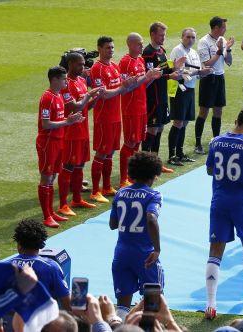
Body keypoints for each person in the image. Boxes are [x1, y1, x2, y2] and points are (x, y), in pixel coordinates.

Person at [204, 108, 243, 320]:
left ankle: (211, 304)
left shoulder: (215, 141)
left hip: (219, 199)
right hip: (241, 200)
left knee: (215, 250)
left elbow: (210, 170)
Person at [108, 152, 164, 320]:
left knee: (122, 304)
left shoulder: (120, 193)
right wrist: (157, 248)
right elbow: (151, 218)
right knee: (153, 300)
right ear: (154, 174)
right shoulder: (153, 195)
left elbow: (112, 224)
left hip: (121, 253)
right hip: (145, 255)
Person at [89, 36, 139, 203]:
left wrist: (130, 83)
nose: (110, 50)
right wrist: (123, 86)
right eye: (107, 48)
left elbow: (120, 91)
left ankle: (107, 186)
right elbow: (103, 94)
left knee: (110, 152)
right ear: (99, 49)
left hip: (116, 116)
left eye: (112, 47)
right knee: (102, 153)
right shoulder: (97, 69)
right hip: (103, 117)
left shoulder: (114, 67)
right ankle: (95, 191)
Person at [37, 66, 85, 227]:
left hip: (58, 141)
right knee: (46, 177)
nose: (66, 81)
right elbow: (45, 124)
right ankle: (46, 216)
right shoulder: (47, 98)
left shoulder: (58, 96)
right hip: (48, 143)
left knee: (53, 177)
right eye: (64, 79)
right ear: (54, 80)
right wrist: (68, 122)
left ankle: (51, 212)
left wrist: (71, 119)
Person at [56, 53, 103, 218]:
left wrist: (95, 99)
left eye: (83, 65)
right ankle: (62, 205)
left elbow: (84, 108)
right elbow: (73, 108)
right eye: (79, 65)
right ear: (70, 64)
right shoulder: (65, 84)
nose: (82, 68)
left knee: (80, 165)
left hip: (82, 130)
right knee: (68, 166)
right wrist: (89, 96)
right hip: (70, 133)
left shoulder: (82, 81)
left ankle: (76, 199)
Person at [119, 33, 162, 188]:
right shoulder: (125, 62)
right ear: (130, 44)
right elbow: (125, 87)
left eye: (142, 43)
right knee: (130, 142)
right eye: (139, 44)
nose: (142, 46)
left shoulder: (140, 59)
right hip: (130, 108)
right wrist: (146, 77)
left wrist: (151, 78)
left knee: (137, 141)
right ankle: (124, 178)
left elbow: (142, 84)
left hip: (142, 106)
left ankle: (133, 176)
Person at [168, 28, 212, 165]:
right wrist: (198, 72)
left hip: (190, 89)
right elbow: (177, 72)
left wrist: (203, 73)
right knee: (178, 122)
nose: (191, 40)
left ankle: (180, 153)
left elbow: (196, 72)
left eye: (193, 37)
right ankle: (172, 155)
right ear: (182, 37)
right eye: (188, 37)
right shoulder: (177, 50)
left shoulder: (193, 52)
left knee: (185, 122)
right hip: (179, 88)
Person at [142, 22, 180, 174]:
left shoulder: (161, 51)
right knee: (152, 130)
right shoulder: (148, 53)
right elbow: (151, 75)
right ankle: (145, 166)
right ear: (152, 34)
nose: (164, 37)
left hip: (163, 98)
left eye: (164, 34)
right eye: (161, 35)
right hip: (153, 98)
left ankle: (155, 164)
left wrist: (175, 67)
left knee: (160, 128)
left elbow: (164, 69)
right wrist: (169, 75)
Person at [8, 219, 71, 309]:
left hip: (10, 320)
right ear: (41, 244)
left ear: (19, 244)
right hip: (42, 320)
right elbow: (67, 302)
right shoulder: (51, 267)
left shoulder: (5, 266)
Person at [196, 16, 235, 154]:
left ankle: (216, 139)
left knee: (218, 110)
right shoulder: (203, 42)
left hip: (220, 77)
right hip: (208, 78)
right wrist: (219, 51)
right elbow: (207, 63)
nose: (225, 30)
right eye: (223, 27)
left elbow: (229, 62)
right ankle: (198, 143)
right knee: (204, 111)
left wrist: (228, 49)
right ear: (216, 28)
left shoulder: (223, 40)